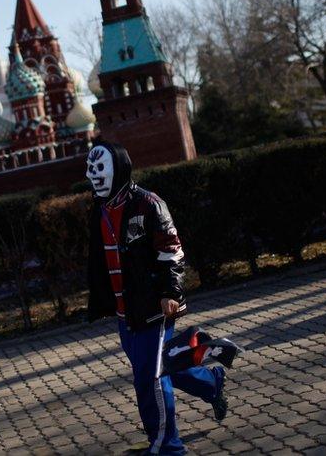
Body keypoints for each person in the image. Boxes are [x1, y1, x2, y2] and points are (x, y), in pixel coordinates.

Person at [84, 141, 227, 455]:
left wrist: (170, 293)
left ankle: (166, 447)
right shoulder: (101, 210)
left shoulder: (148, 204)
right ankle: (212, 382)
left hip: (153, 308)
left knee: (149, 381)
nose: (94, 175)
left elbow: (172, 252)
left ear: (118, 168)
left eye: (100, 168)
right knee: (163, 368)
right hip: (126, 314)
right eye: (90, 169)